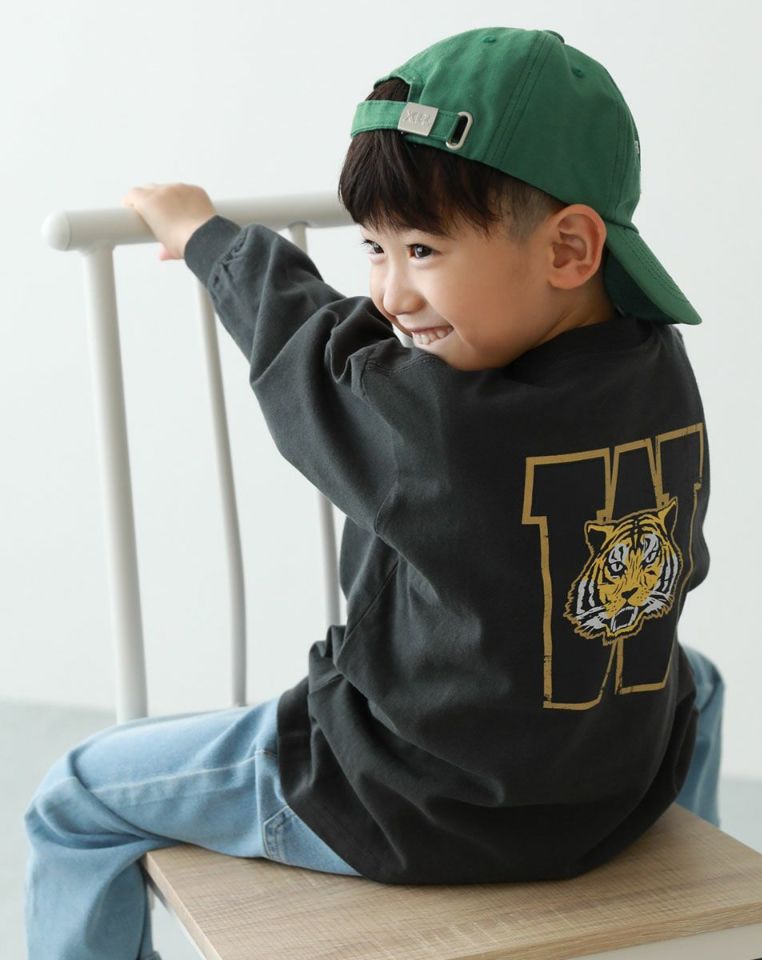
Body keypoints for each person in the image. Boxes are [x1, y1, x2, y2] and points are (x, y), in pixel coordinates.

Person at [24, 26, 724, 960]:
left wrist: (205, 236)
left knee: (74, 797)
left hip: (411, 807)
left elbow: (304, 342)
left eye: (422, 249)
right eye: (373, 248)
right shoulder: (656, 366)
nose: (390, 294)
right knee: (693, 677)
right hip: (610, 792)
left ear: (568, 248)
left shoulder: (434, 422)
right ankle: (696, 890)